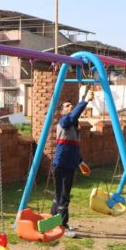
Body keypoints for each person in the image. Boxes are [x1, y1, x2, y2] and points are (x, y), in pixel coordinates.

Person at [51, 88, 94, 238]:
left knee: (60, 195)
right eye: (67, 106)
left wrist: (81, 162)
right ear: (62, 111)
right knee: (63, 197)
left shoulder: (74, 129)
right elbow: (74, 115)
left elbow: (72, 149)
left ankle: (52, 221)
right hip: (61, 164)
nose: (70, 108)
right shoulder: (64, 121)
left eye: (71, 106)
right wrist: (85, 100)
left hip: (68, 164)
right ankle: (63, 226)